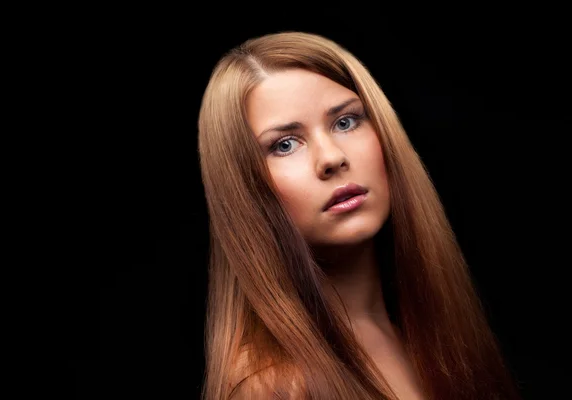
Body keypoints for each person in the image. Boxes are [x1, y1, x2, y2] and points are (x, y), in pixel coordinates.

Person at [197, 31, 521, 399]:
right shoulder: (275, 387)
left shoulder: (436, 334)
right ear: (244, 188)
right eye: (284, 145)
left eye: (346, 122)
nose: (332, 157)